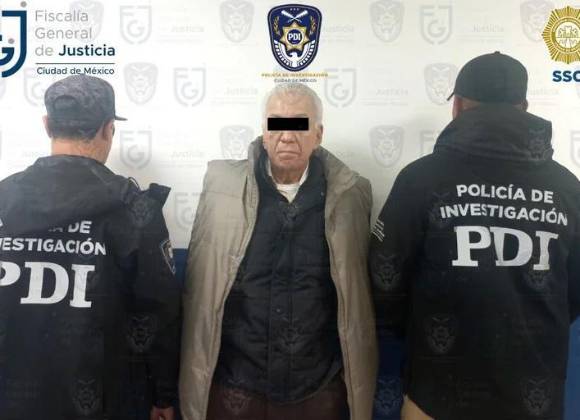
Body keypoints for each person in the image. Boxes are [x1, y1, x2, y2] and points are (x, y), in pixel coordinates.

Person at [369, 51, 580, 420]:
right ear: (524, 107)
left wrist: (414, 334)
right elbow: (573, 295)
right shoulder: (567, 188)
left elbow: (385, 279)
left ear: (458, 107)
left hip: (436, 392)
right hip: (534, 395)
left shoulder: (420, 179)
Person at [179, 82, 378, 420]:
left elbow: (355, 296)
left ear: (318, 134)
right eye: (277, 124)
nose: (287, 136)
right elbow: (200, 284)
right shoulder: (221, 187)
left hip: (317, 390)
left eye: (299, 125)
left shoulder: (350, 194)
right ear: (263, 132)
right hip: (235, 387)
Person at [0, 74, 181, 420]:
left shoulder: (4, 197)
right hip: (100, 401)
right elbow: (158, 313)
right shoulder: (135, 209)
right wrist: (163, 395)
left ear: (47, 125)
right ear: (109, 129)